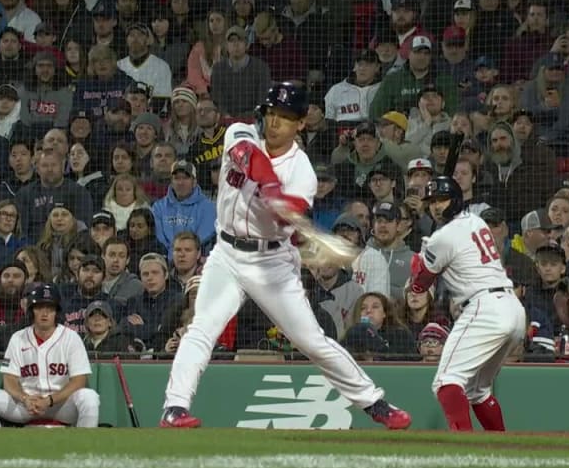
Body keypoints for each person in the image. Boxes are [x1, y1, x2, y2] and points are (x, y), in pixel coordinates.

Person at [161, 82, 412, 430]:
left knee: (310, 340)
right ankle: (174, 406)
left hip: (271, 262)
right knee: (202, 327)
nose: (276, 122)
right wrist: (271, 188)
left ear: (300, 124)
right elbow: (246, 157)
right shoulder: (240, 131)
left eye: (286, 117)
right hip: (227, 253)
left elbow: (288, 218)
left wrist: (281, 206)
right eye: (272, 114)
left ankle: (374, 402)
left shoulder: (302, 172)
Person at [409, 176, 528, 431]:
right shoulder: (475, 221)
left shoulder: (443, 237)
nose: (436, 206)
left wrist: (419, 262)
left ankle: (463, 448)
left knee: (446, 382)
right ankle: (501, 450)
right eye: (431, 202)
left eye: (442, 199)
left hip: (484, 308)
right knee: (478, 391)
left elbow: (420, 284)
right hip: (512, 308)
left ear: (456, 199)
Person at [0, 284, 101, 428]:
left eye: (50, 308)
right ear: (32, 311)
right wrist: (25, 398)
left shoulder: (71, 338)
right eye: (39, 307)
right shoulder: (18, 338)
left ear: (56, 312)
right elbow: (9, 379)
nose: (44, 313)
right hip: (26, 405)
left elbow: (79, 381)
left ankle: (84, 448)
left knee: (90, 398)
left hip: (60, 405)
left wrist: (49, 400)